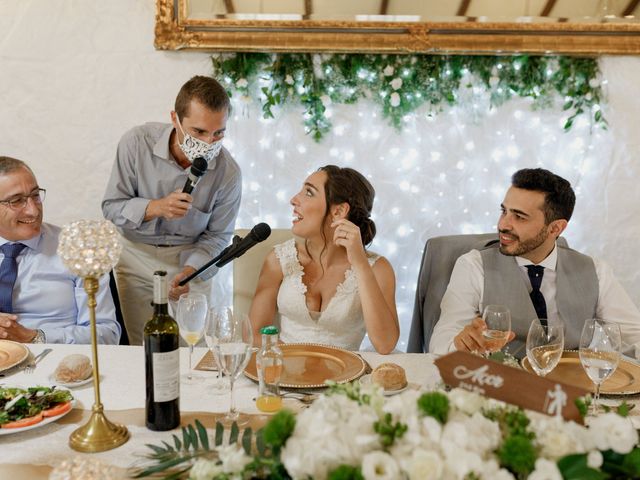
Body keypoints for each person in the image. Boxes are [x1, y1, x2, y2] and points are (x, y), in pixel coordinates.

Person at [429, 168, 640, 358]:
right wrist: (460, 343)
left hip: (572, 391)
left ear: (555, 228)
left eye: (519, 217)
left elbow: (634, 336)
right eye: (504, 211)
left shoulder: (596, 271)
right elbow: (440, 342)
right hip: (501, 390)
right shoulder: (473, 266)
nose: (503, 225)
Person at [102, 76, 242, 345]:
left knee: (196, 350)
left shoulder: (229, 173)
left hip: (190, 263)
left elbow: (217, 237)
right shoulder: (136, 143)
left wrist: (191, 271)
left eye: (218, 133)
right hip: (136, 256)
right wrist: (155, 208)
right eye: (199, 132)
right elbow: (111, 206)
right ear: (175, 119)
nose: (209, 142)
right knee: (144, 348)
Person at [249, 165, 399, 354]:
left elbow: (385, 345)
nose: (294, 200)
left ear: (338, 212)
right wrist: (297, 365)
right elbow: (254, 334)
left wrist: (360, 265)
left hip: (347, 380)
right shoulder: (279, 259)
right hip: (288, 373)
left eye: (309, 193)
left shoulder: (378, 268)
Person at [0, 157, 120, 344]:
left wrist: (36, 337)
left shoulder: (79, 248)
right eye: (16, 201)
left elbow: (107, 334)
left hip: (57, 361)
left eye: (35, 195)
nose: (33, 211)